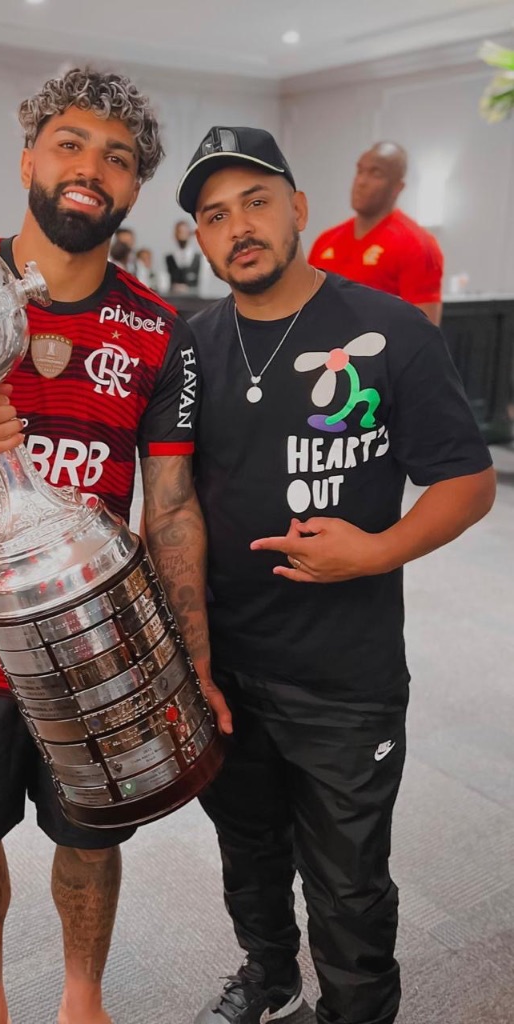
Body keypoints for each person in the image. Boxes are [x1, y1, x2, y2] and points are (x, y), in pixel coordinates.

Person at [0, 69, 230, 1024]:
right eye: (70, 143)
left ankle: (81, 1000)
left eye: (116, 157)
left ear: (135, 187)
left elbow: (175, 504)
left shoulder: (159, 331)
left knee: (92, 838)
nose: (89, 168)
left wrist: (189, 655)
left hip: (97, 658)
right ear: (30, 157)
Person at [176, 125, 495, 1024]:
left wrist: (378, 547)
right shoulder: (192, 347)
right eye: (214, 214)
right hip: (226, 668)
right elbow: (171, 497)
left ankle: (355, 1011)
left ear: (298, 210)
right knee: (248, 851)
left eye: (256, 202)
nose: (238, 226)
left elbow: (468, 483)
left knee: (349, 882)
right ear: (200, 237)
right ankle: (269, 977)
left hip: (344, 676)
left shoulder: (387, 331)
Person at [309, 142, 444, 325]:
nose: (361, 181)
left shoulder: (418, 245)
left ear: (398, 187)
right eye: (360, 171)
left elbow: (424, 332)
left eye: (375, 174)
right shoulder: (326, 241)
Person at [165, 219, 201, 292]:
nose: (182, 235)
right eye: (179, 232)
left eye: (184, 232)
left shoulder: (199, 258)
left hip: (195, 300)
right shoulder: (169, 258)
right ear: (175, 235)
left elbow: (203, 283)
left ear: (189, 233)